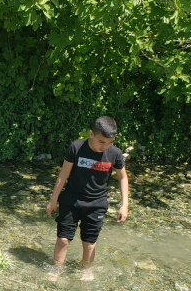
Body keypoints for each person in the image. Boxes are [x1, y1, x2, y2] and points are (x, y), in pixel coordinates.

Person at [45, 116, 129, 281]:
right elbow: (63, 174)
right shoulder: (76, 148)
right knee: (63, 239)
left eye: (109, 143)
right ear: (91, 133)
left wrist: (124, 204)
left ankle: (86, 269)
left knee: (89, 242)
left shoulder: (115, 154)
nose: (104, 146)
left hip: (97, 204)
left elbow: (123, 178)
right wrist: (53, 199)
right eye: (101, 142)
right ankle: (57, 269)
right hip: (71, 200)